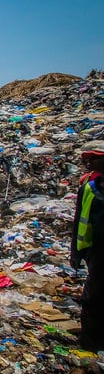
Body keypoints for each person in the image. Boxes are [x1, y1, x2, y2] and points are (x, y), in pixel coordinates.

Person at [70, 140, 104, 351]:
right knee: (93, 296)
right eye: (88, 160)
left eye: (94, 159)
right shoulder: (89, 186)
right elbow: (78, 220)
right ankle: (89, 341)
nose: (89, 164)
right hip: (96, 251)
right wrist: (76, 252)